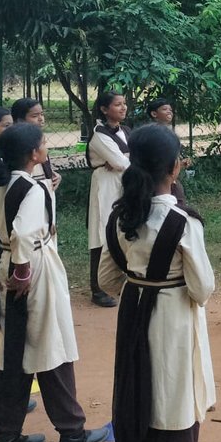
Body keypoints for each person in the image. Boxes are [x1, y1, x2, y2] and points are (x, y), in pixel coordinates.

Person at [0, 122, 108, 442]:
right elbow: (25, 234)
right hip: (33, 268)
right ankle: (72, 431)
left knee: (15, 351)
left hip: (8, 263)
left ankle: (7, 436)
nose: (46, 148)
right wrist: (22, 271)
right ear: (33, 154)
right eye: (43, 144)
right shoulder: (32, 189)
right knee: (49, 346)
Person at [99, 124, 216, 442]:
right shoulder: (183, 222)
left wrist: (141, 277)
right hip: (173, 322)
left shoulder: (121, 216)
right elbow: (202, 289)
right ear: (175, 167)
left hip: (133, 316)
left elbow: (107, 281)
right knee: (174, 416)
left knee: (134, 407)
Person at [87, 90, 129, 308]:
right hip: (105, 185)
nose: (123, 108)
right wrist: (124, 159)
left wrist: (124, 159)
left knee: (119, 230)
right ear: (104, 109)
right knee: (101, 231)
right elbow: (121, 162)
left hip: (120, 183)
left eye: (124, 104)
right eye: (117, 105)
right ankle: (97, 287)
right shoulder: (100, 135)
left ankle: (116, 279)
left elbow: (125, 160)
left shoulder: (125, 131)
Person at [11, 97, 62, 193]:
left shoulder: (39, 139)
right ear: (20, 120)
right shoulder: (17, 144)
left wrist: (53, 176)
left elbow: (44, 168)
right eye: (34, 116)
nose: (41, 119)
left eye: (42, 114)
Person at [147, 97, 188, 206]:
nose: (169, 111)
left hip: (170, 177)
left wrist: (180, 163)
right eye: (164, 109)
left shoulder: (168, 132)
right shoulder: (152, 134)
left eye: (170, 109)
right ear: (154, 114)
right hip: (160, 179)